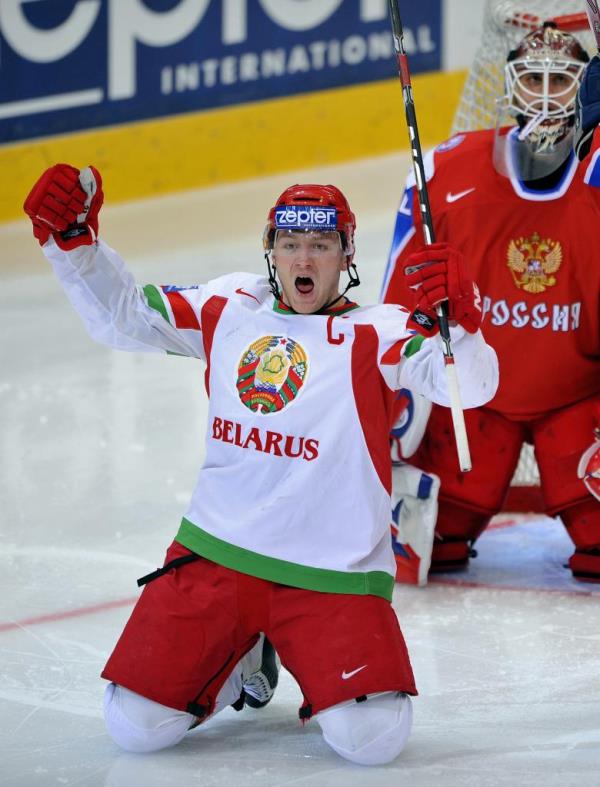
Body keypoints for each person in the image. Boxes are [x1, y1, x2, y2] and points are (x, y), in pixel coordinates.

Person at [23, 168, 498, 765]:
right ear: (271, 249)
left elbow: (473, 388)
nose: (305, 258)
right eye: (291, 243)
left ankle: (279, 652)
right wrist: (73, 246)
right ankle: (240, 657)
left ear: (347, 253)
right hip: (218, 557)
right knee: (135, 726)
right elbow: (122, 315)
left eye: (321, 245)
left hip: (330, 574)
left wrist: (465, 326)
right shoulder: (230, 306)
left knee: (374, 740)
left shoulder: (379, 332)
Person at [382, 22, 600, 583]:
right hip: (475, 401)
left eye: (563, 79)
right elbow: (398, 306)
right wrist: (390, 416)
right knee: (439, 533)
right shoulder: (447, 172)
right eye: (533, 78)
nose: (547, 94)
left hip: (579, 400)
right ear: (507, 84)